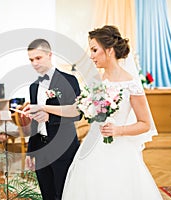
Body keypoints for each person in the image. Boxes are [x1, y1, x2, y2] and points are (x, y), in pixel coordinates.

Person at [25, 26, 163, 199]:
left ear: (110, 50)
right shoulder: (97, 82)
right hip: (92, 148)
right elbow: (76, 109)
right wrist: (43, 107)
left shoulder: (131, 84)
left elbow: (145, 124)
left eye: (94, 50)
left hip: (120, 151)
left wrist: (119, 130)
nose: (91, 55)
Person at [24, 38, 82, 200]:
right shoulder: (33, 87)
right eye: (31, 60)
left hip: (63, 146)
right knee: (46, 194)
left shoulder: (69, 80)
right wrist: (30, 151)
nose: (34, 63)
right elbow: (35, 121)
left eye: (38, 58)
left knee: (64, 193)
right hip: (41, 149)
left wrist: (50, 117)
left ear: (49, 55)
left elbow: (78, 113)